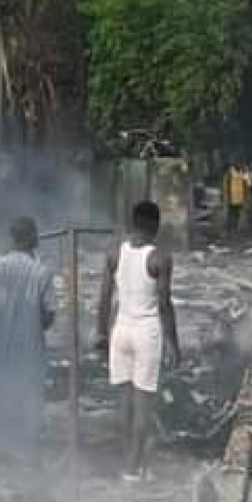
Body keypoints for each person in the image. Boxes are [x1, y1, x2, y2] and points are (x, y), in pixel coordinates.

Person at [98, 202, 180, 482]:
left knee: (125, 403)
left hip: (120, 331)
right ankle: (134, 469)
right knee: (144, 404)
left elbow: (104, 297)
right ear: (155, 226)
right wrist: (174, 344)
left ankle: (127, 462)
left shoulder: (114, 253)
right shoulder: (159, 258)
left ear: (133, 224)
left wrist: (100, 334)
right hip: (146, 333)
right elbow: (165, 304)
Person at [0, 217, 57, 464]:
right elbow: (48, 316)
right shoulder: (41, 272)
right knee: (29, 399)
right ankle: (27, 452)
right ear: (32, 238)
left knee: (0, 396)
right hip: (29, 348)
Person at [223, 163, 250, 236]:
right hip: (231, 199)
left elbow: (247, 185)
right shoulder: (229, 173)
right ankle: (230, 230)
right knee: (231, 215)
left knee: (237, 215)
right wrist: (226, 197)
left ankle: (236, 230)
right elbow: (225, 186)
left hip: (240, 198)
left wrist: (246, 197)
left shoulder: (243, 172)